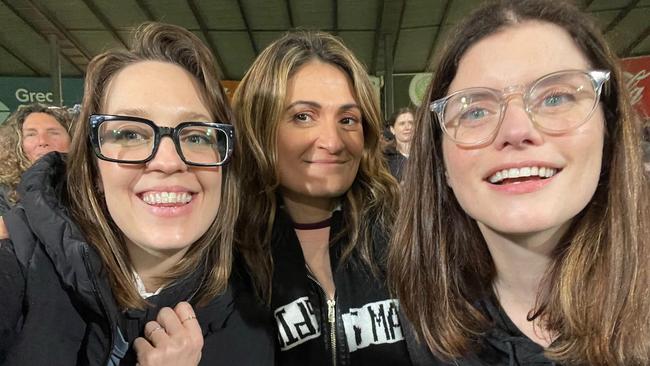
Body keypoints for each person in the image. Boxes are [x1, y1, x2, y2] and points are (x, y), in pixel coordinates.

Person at [388, 0, 650, 365]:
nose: (516, 131)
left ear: (610, 133)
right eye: (475, 110)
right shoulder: (426, 317)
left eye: (555, 98)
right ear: (441, 161)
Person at [0, 22, 273, 366]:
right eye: (129, 134)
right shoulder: (18, 269)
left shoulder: (252, 314)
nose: (169, 161)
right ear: (92, 167)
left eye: (196, 136)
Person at [232, 31, 412, 365]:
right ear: (259, 127)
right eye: (303, 116)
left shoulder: (407, 238)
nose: (333, 141)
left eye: (347, 119)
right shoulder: (223, 258)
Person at [0, 103, 71, 215]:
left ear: (73, 140)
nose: (42, 141)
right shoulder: (4, 193)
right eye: (31, 135)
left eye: (54, 133)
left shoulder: (92, 186)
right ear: (16, 144)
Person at [384, 107, 414, 181]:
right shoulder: (385, 159)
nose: (407, 127)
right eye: (402, 124)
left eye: (411, 123)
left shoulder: (426, 154)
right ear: (392, 129)